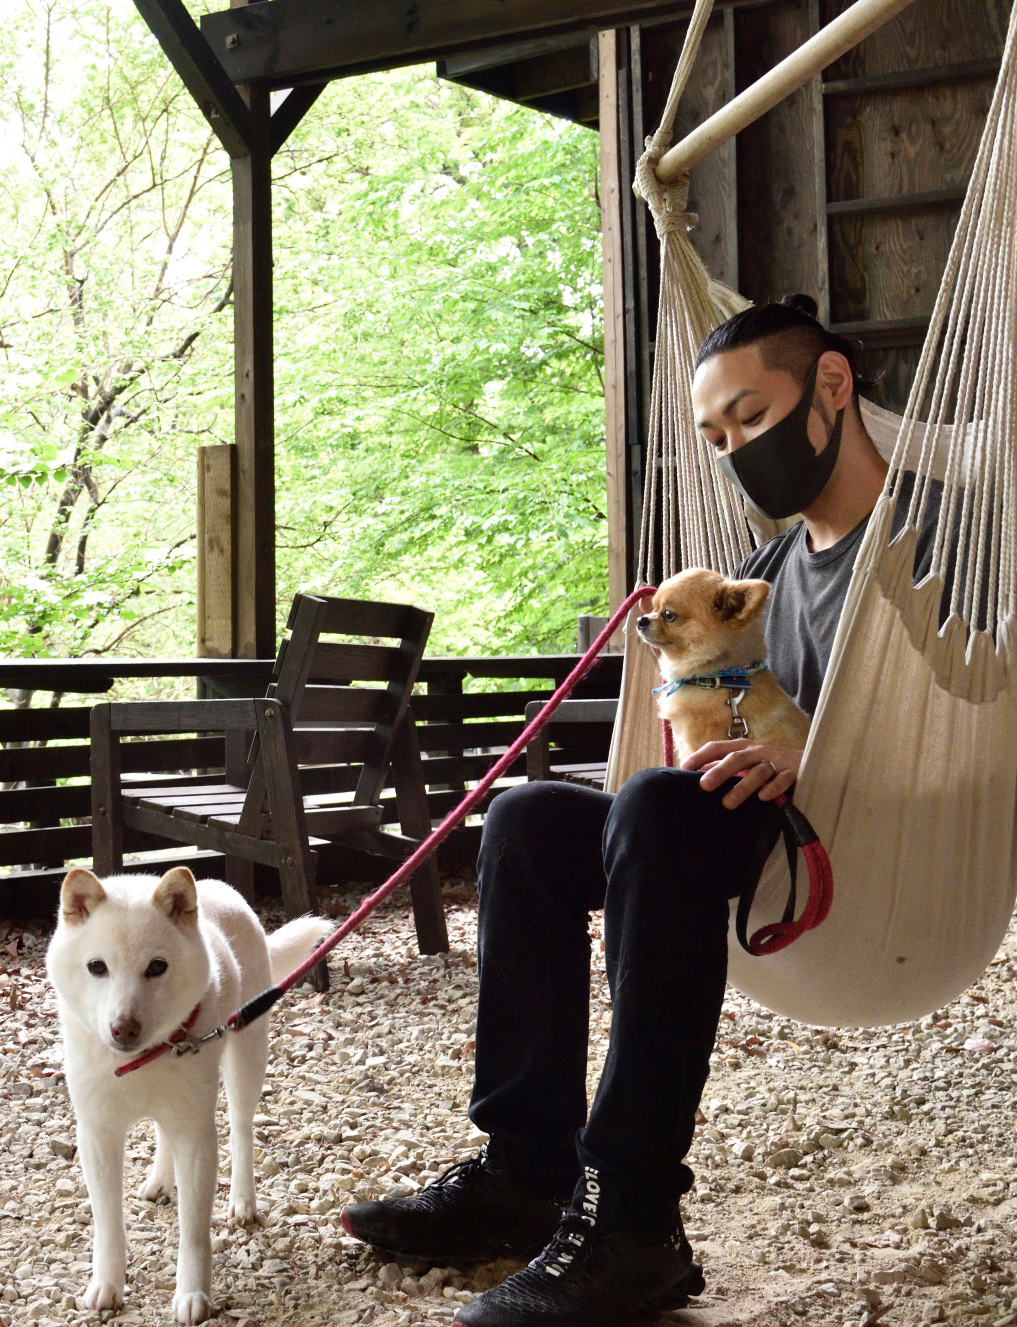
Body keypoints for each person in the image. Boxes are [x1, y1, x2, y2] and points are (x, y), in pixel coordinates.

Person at [343, 295, 893, 1327]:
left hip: (858, 833)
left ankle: (634, 1219)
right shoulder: (766, 568)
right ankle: (528, 1168)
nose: (734, 452)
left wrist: (802, 757)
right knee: (525, 820)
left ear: (828, 390)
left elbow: (958, 713)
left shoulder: (914, 545)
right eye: (716, 438)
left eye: (749, 418)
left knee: (653, 804)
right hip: (730, 819)